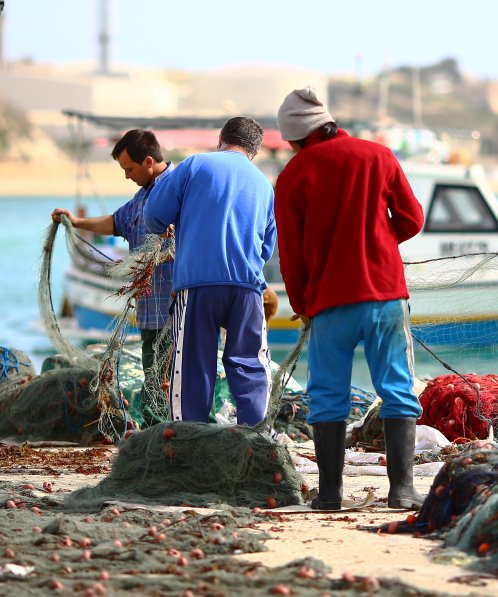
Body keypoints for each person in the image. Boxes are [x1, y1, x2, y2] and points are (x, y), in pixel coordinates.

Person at [274, 86, 425, 510]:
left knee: (327, 394)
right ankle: (401, 491)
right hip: (384, 294)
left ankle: (330, 495)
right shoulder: (378, 156)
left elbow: (290, 254)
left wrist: (303, 305)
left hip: (328, 302)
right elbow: (412, 219)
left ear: (296, 137)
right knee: (397, 387)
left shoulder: (292, 176)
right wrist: (377, 241)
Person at [143, 117, 277, 428]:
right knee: (250, 365)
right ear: (254, 151)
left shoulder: (194, 165)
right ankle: (256, 439)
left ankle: (190, 440)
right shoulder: (263, 184)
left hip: (198, 286)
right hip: (248, 287)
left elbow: (153, 216)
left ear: (221, 138)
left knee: (193, 365)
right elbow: (266, 249)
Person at [52, 129, 173, 427]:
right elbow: (116, 222)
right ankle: (158, 435)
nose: (126, 176)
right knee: (154, 378)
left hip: (175, 309)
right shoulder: (141, 196)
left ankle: (176, 433)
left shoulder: (177, 188)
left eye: (128, 169)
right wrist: (77, 221)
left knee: (174, 381)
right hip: (149, 311)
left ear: (147, 161)